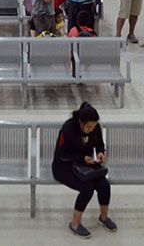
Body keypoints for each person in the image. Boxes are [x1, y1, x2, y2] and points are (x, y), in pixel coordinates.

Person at [52, 102, 114, 238]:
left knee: (104, 185)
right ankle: (75, 224)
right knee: (87, 189)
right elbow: (61, 155)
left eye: (94, 126)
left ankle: (104, 218)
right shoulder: (67, 129)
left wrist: (100, 152)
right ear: (81, 122)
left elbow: (99, 143)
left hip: (85, 166)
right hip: (63, 167)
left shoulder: (95, 127)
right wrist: (82, 158)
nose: (92, 129)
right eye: (89, 127)